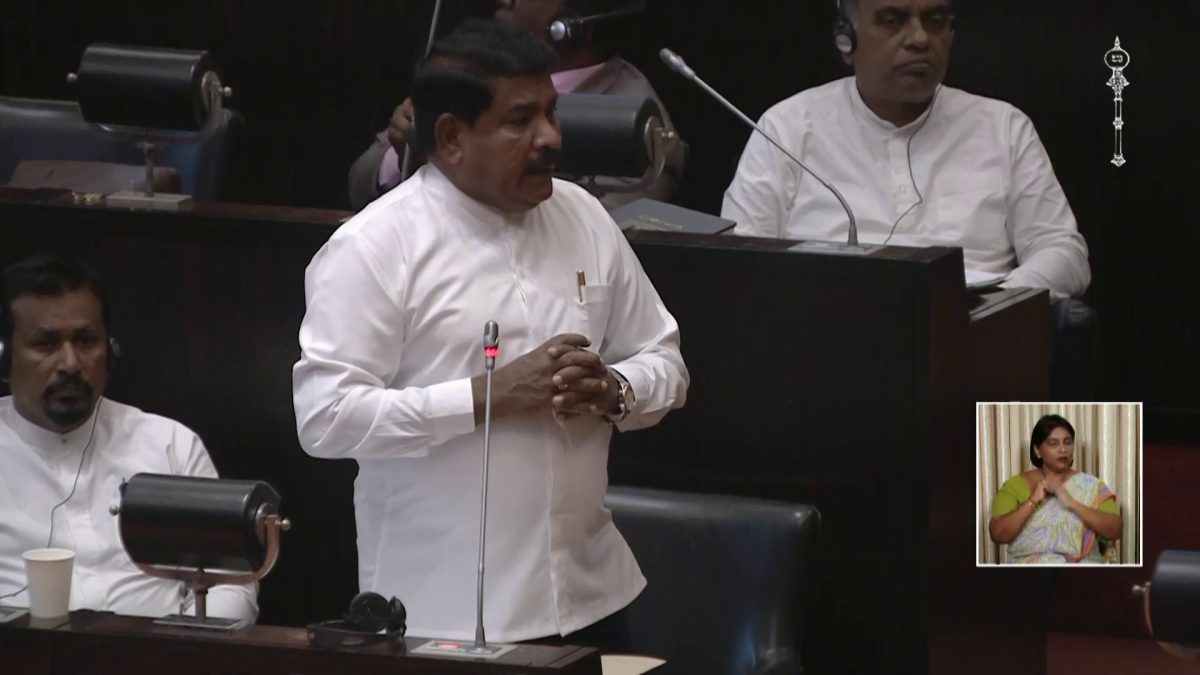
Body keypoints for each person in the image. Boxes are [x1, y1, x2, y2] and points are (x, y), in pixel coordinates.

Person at [294, 19, 688, 650]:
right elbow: (325, 417)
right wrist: (486, 397)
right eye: (520, 121)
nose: (551, 138)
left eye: (552, 113)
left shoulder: (585, 217)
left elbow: (664, 359)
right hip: (442, 615)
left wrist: (614, 390)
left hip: (592, 599)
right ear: (452, 136)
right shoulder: (374, 247)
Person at [721, 0, 1090, 300]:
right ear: (846, 41)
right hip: (823, 339)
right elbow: (733, 259)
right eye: (892, 20)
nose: (919, 39)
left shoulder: (1003, 128)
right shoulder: (786, 128)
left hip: (972, 341)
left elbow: (1064, 253)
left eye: (935, 20)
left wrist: (991, 304)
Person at [0, 255, 258, 622]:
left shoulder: (169, 444)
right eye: (46, 344)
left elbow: (230, 581)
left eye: (86, 340)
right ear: (4, 358)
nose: (71, 363)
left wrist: (186, 644)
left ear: (110, 351)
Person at [347, 0, 684, 211]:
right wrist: (403, 155)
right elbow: (359, 183)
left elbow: (606, 236)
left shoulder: (643, 122)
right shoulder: (473, 76)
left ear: (571, 28)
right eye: (520, 119)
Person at [988, 415, 1123, 564]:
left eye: (1068, 442)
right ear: (1037, 450)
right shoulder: (1015, 485)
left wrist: (1072, 503)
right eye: (1053, 443)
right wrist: (1033, 500)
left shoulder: (1091, 486)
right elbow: (998, 534)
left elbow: (1115, 529)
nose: (1063, 449)